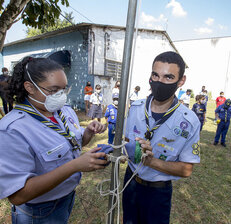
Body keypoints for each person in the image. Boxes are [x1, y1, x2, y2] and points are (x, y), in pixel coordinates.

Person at [0, 57, 108, 223]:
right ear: (29, 87)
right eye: (53, 90)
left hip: (66, 198)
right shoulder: (13, 130)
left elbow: (75, 143)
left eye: (63, 89)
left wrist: (87, 132)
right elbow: (18, 195)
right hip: (38, 211)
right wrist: (75, 166)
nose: (60, 96)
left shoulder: (64, 112)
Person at [122, 51, 200, 224]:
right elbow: (127, 142)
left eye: (168, 77)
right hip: (130, 183)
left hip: (157, 192)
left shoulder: (189, 121)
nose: (159, 82)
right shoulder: (135, 108)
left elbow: (186, 170)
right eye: (155, 75)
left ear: (181, 81)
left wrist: (151, 162)